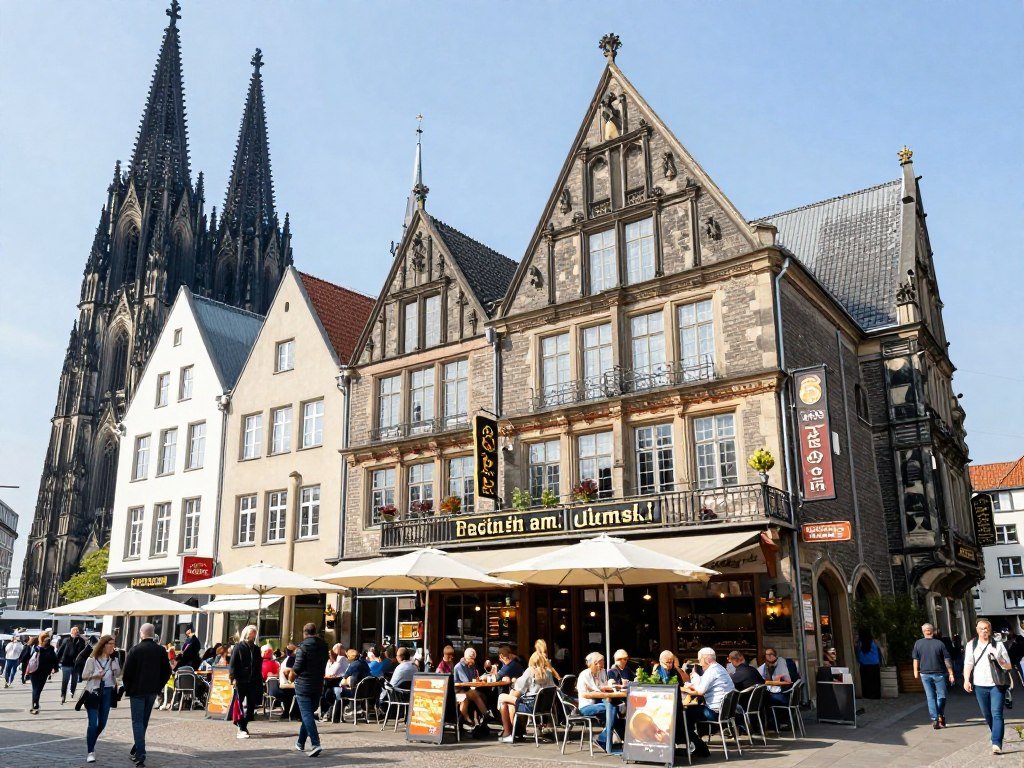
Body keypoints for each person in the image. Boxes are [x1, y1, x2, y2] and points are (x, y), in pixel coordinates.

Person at [122, 623, 172, 768]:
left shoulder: (135, 650)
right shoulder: (160, 650)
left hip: (137, 691)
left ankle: (140, 754)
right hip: (151, 691)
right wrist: (159, 686)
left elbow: (127, 673)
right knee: (143, 721)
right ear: (153, 633)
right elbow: (167, 671)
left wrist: (128, 688)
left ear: (141, 633)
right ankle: (137, 748)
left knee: (137, 722)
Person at [964, 618, 1014, 755]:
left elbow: (1008, 666)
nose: (984, 631)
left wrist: (999, 658)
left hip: (996, 684)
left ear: (990, 630)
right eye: (981, 628)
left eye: (986, 628)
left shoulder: (998, 645)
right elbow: (968, 663)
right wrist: (966, 680)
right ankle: (996, 733)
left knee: (996, 713)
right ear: (977, 630)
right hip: (979, 684)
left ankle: (996, 743)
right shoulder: (971, 645)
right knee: (987, 715)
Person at [683, 647, 735, 756]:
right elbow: (702, 685)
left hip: (714, 712)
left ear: (707, 659)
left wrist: (687, 690)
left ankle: (696, 745)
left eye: (700, 660)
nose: (700, 664)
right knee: (691, 711)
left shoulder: (712, 670)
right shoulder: (719, 668)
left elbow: (700, 691)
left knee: (684, 714)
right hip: (724, 713)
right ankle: (697, 742)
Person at [497, 650, 556, 742]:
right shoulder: (548, 672)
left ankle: (508, 733)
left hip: (530, 705)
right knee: (509, 701)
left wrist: (514, 680)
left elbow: (519, 688)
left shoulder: (530, 671)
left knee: (502, 697)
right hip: (544, 707)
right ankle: (515, 731)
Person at [288, 623, 328, 757]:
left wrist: (291, 676)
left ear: (304, 633)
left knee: (306, 714)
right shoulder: (323, 646)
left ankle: (315, 743)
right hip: (318, 684)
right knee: (309, 713)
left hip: (304, 685)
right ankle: (300, 742)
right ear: (315, 631)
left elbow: (297, 668)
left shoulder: (303, 647)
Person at [82, 635, 121, 763]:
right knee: (93, 723)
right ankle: (90, 751)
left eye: (114, 644)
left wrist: (117, 670)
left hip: (108, 692)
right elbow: (84, 676)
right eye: (111, 643)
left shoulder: (113, 660)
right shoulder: (92, 660)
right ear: (104, 645)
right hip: (93, 692)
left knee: (102, 723)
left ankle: (91, 740)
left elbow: (118, 674)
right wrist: (95, 675)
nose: (113, 646)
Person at [577, 651, 625, 753]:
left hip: (599, 704)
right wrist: (605, 694)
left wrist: (615, 687)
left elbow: (602, 687)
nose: (603, 666)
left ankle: (604, 739)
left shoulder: (601, 672)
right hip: (586, 707)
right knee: (611, 708)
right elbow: (584, 694)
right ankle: (604, 740)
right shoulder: (584, 675)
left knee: (615, 710)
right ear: (595, 663)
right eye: (601, 663)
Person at [913, 622, 954, 729]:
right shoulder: (936, 643)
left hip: (929, 674)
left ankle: (936, 717)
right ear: (933, 631)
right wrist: (951, 673)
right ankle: (938, 716)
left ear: (924, 631)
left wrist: (915, 671)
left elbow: (915, 659)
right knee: (940, 696)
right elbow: (947, 659)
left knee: (933, 697)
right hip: (935, 673)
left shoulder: (921, 643)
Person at [229, 625, 263, 739]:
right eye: (250, 634)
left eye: (254, 634)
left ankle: (244, 724)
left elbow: (259, 665)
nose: (252, 636)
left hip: (253, 680)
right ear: (246, 634)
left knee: (251, 705)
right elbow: (233, 664)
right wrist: (233, 677)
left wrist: (259, 678)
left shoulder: (256, 649)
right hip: (241, 680)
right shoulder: (239, 647)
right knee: (240, 704)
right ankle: (241, 726)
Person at [454, 647, 489, 730]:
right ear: (466, 657)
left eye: (474, 659)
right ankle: (484, 714)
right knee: (473, 694)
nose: (473, 661)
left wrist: (479, 679)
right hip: (458, 691)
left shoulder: (472, 666)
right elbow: (466, 681)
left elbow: (474, 679)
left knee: (482, 695)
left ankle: (484, 717)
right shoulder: (459, 667)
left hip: (466, 690)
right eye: (471, 658)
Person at [26, 632, 60, 714]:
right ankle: (35, 704)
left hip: (44, 672)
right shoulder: (35, 648)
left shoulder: (50, 649)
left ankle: (35, 703)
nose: (47, 640)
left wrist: (55, 668)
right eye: (45, 638)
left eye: (47, 638)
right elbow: (27, 658)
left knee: (38, 688)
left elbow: (54, 659)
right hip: (34, 671)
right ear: (41, 639)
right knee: (36, 688)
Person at [57, 625, 87, 705]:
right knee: (65, 680)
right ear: (71, 632)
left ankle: (72, 691)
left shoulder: (81, 641)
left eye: (77, 631)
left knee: (74, 680)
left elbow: (83, 652)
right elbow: (60, 651)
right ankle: (63, 695)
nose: (76, 632)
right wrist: (56, 661)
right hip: (66, 663)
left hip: (76, 664)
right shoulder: (66, 640)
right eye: (75, 631)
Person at [856, 628, 882, 699]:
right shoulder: (873, 641)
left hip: (864, 664)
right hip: (874, 663)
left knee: (866, 681)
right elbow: (878, 651)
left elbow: (858, 652)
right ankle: (876, 695)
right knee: (875, 681)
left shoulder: (860, 642)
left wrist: (858, 660)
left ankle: (867, 694)